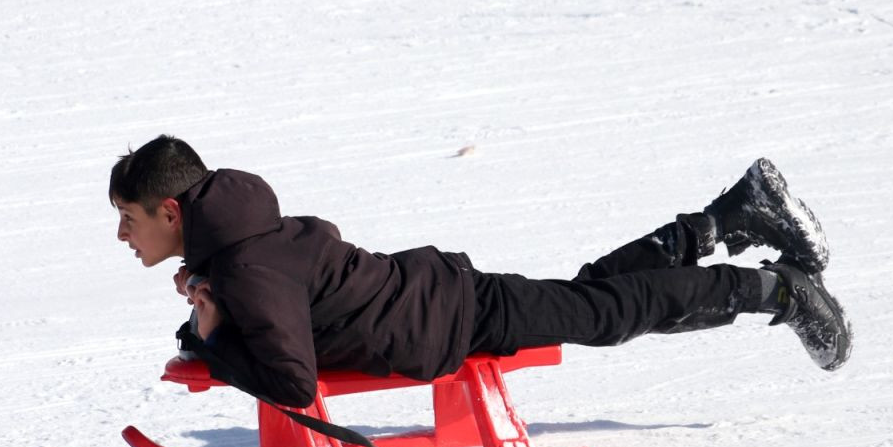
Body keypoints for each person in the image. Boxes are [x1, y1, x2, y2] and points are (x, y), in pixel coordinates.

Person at [109, 135, 852, 409]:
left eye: (130, 217)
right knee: (596, 292)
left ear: (172, 210)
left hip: (452, 318)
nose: (122, 234)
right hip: (438, 296)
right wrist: (207, 316)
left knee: (608, 312)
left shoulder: (241, 265)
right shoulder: (242, 235)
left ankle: (778, 290)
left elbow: (294, 383)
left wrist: (211, 338)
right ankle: (728, 217)